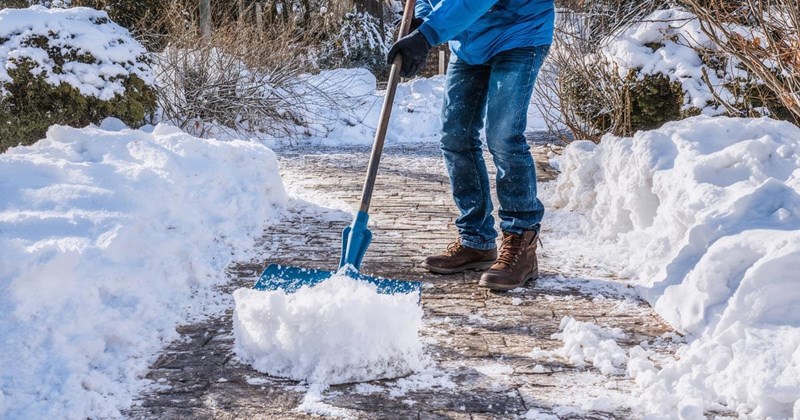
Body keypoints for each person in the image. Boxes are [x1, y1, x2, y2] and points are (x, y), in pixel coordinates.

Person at [387, 0, 555, 291]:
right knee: (456, 137)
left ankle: (521, 242)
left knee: (503, 136)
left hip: (520, 31)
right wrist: (422, 20)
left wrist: (427, 35)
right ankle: (475, 241)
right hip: (471, 41)